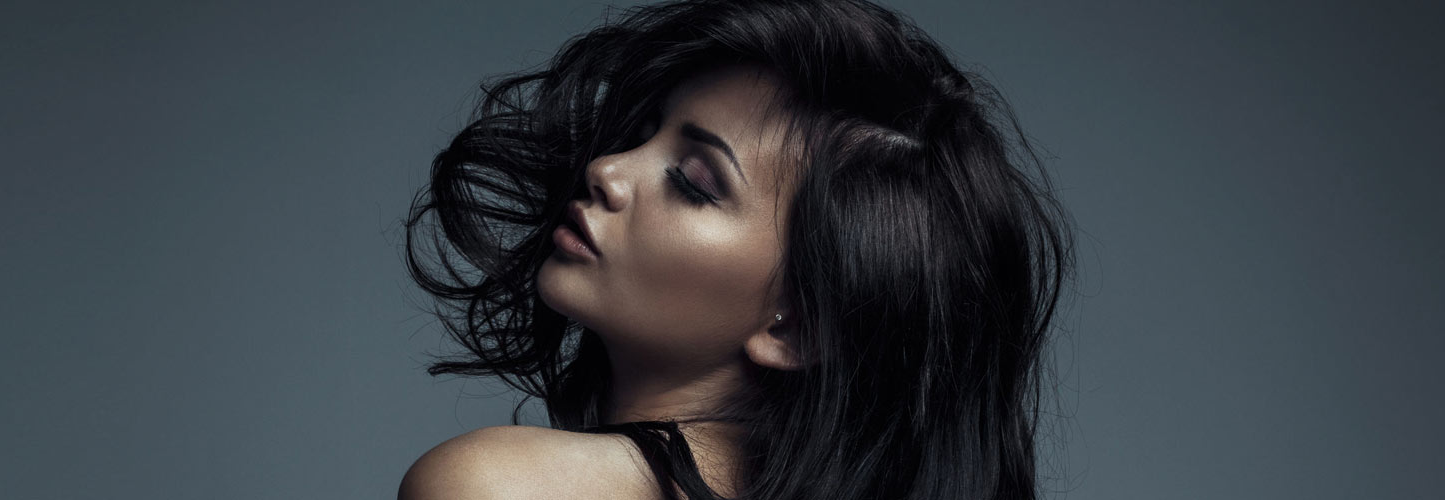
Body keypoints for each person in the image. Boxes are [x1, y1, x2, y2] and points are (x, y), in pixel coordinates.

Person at [399, 0, 1075, 498]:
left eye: (694, 183)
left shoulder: (499, 485)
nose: (607, 169)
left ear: (796, 326)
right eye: (644, 131)